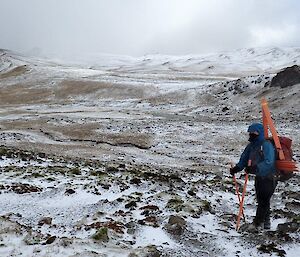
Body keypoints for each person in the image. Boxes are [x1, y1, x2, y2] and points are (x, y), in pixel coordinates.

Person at [230, 123, 277, 230]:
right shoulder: (251, 145)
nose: (251, 134)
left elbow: (269, 162)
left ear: (259, 133)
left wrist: (256, 168)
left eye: (254, 132)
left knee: (263, 199)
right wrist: (237, 168)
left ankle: (258, 223)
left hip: (270, 176)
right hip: (259, 176)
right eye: (250, 132)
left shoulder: (266, 145)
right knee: (262, 199)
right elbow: (244, 158)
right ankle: (266, 222)